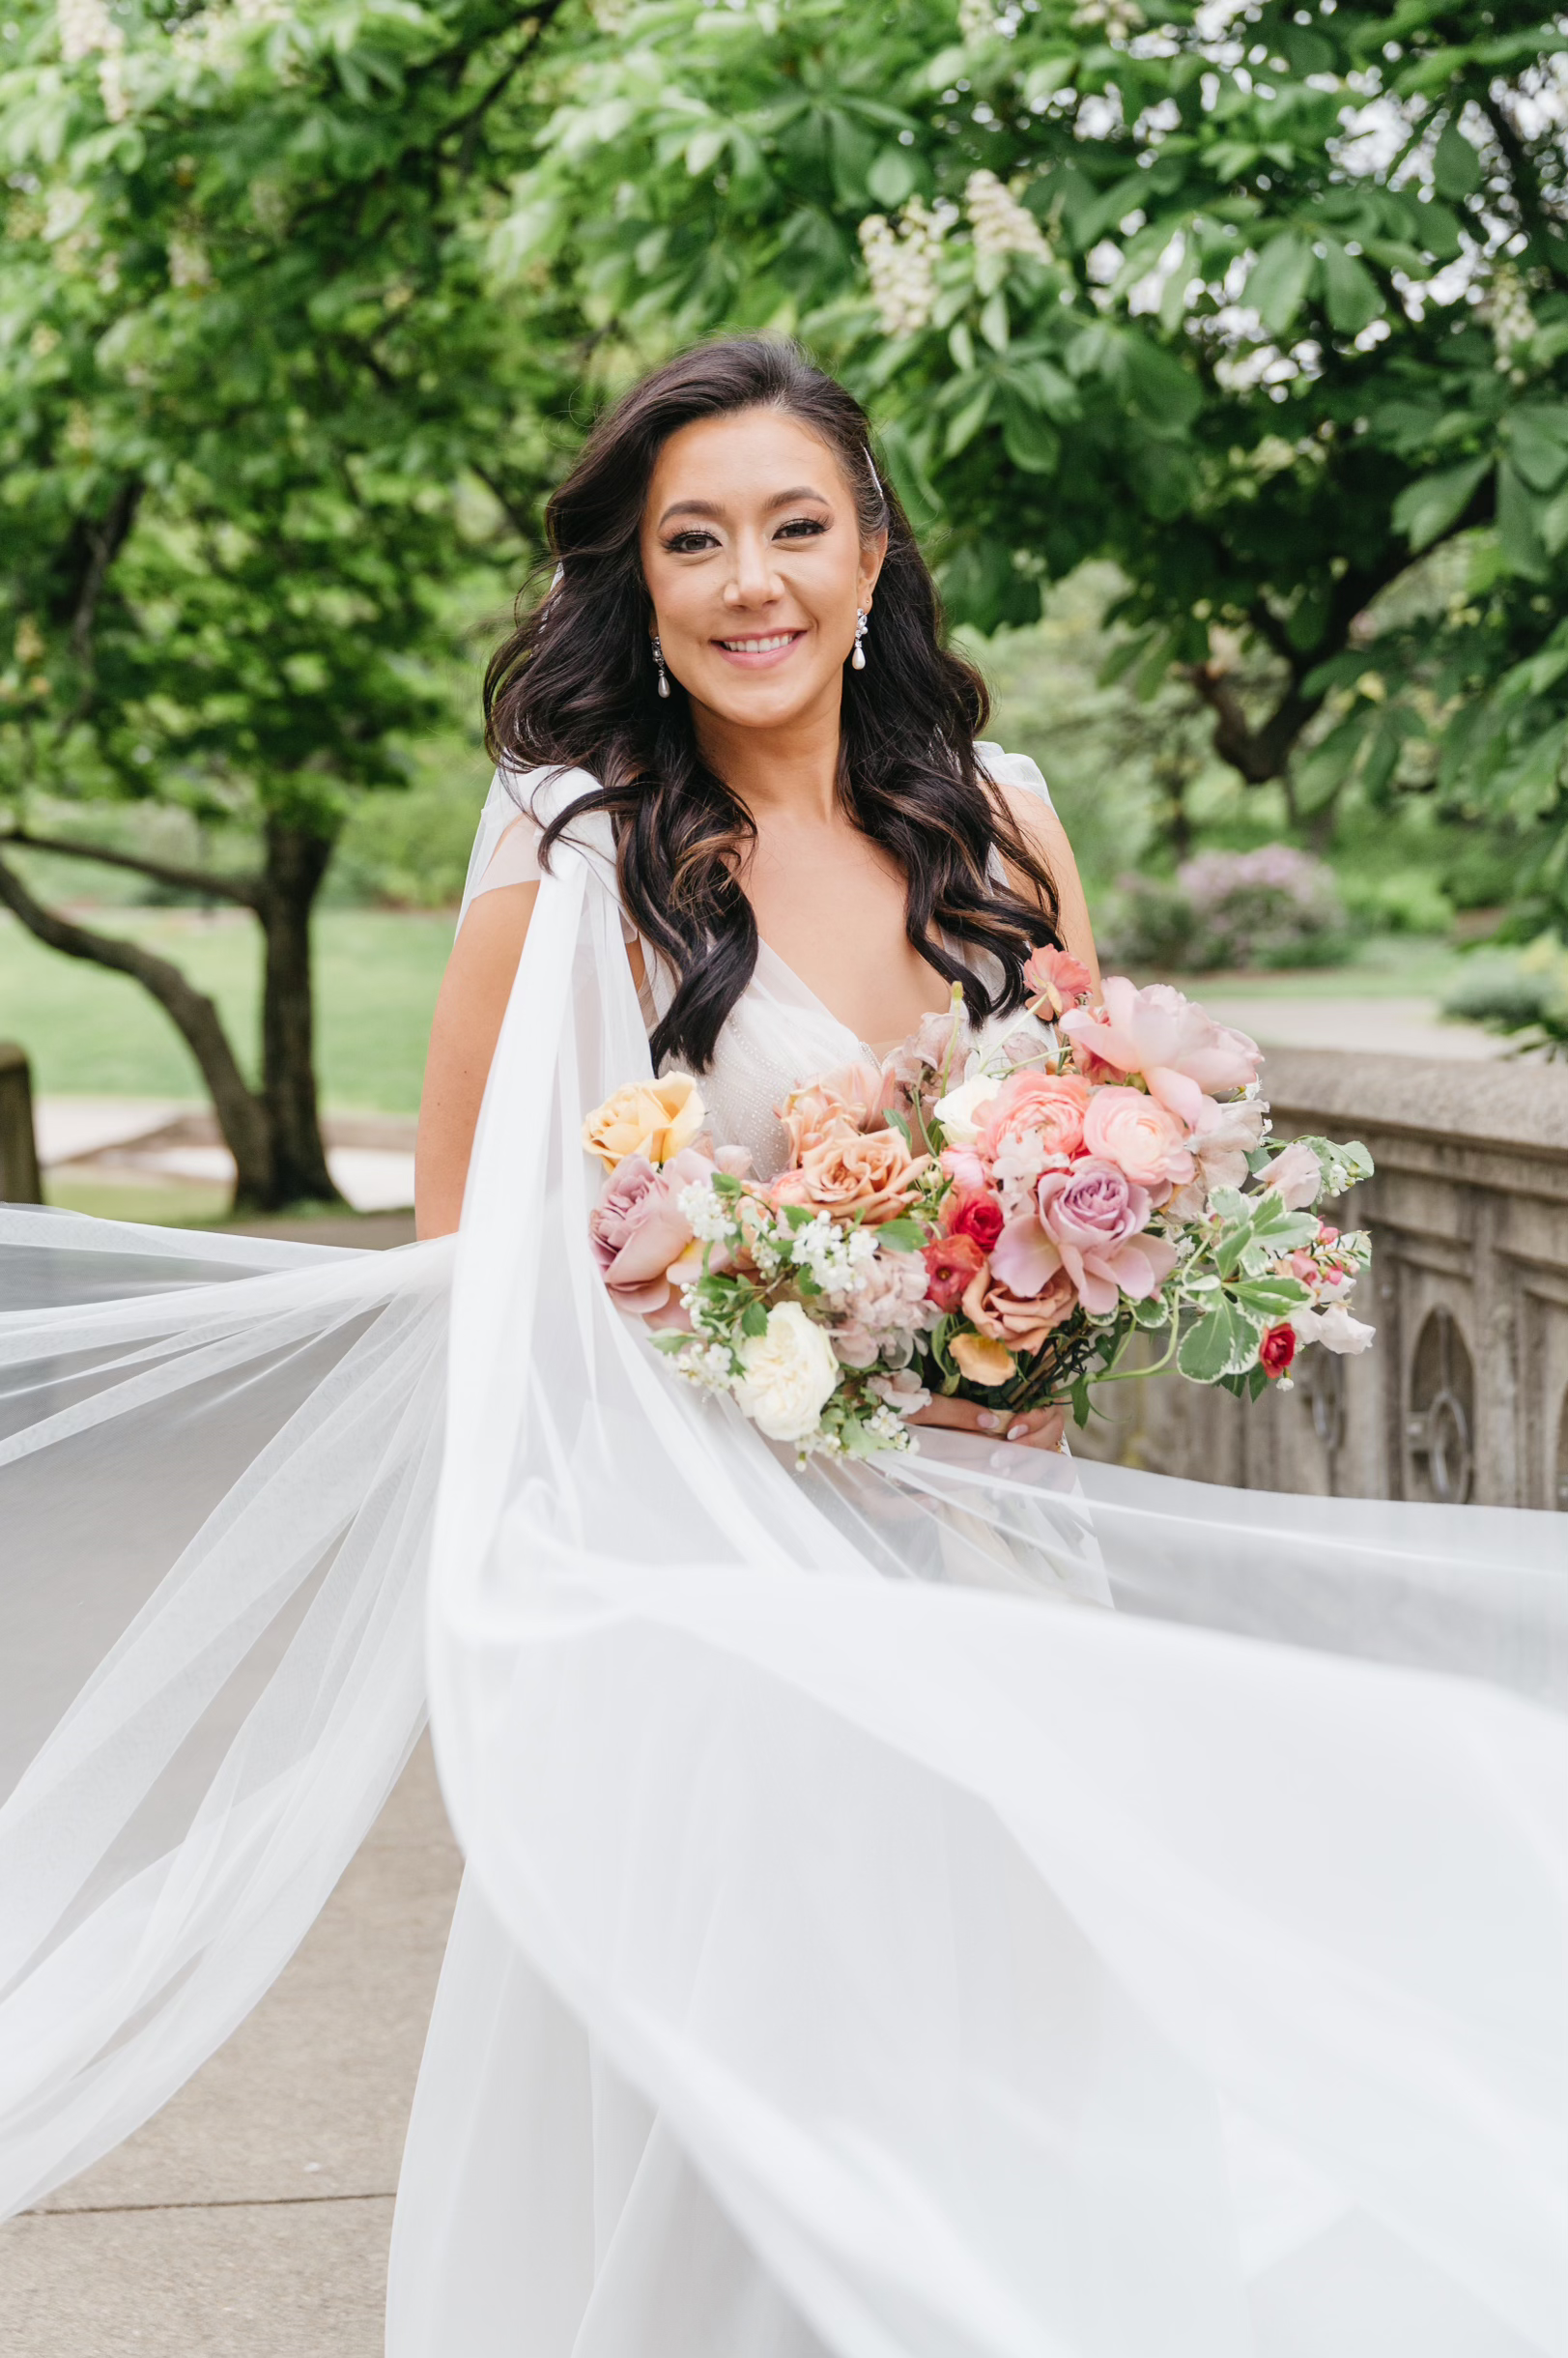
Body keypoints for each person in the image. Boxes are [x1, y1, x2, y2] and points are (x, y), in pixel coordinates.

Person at [0, 340, 1562, 2358]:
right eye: (696, 540)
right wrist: (754, 1322)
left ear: (872, 545)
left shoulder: (1000, 818)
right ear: (636, 587)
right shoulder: (579, 848)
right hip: (707, 1584)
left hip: (998, 1552)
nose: (753, 581)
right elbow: (468, 1240)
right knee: (757, 2094)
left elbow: (1091, 1126)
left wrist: (1025, 1314)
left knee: (1003, 2058)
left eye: (795, 526)